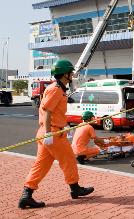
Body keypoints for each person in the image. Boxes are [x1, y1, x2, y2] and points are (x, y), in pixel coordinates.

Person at [18, 60, 94, 209]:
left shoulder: (57, 88)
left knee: (41, 165)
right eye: (70, 73)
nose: (72, 75)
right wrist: (48, 134)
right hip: (52, 133)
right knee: (69, 160)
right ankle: (75, 188)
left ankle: (27, 194)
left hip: (49, 132)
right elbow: (47, 111)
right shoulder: (56, 90)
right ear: (65, 74)